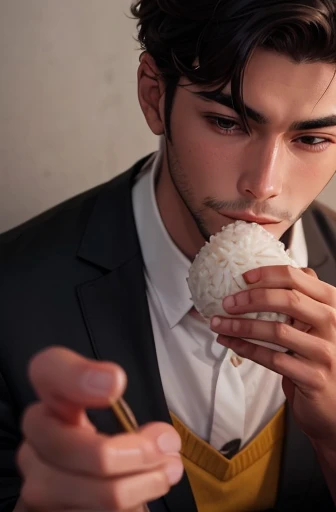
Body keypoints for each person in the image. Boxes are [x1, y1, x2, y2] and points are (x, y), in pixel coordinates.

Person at [1, 0, 336, 510]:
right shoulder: (12, 292)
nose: (264, 185)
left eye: (312, 138)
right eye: (227, 123)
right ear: (154, 96)